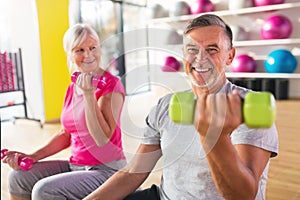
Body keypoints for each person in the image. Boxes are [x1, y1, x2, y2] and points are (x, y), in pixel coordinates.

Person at [83, 14, 278, 200]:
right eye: (192, 49)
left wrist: (214, 136)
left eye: (212, 49)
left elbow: (243, 195)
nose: (200, 58)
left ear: (230, 56)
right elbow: (134, 172)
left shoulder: (245, 107)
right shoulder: (166, 105)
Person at [2, 23, 126, 200]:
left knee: (44, 190)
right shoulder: (72, 87)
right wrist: (32, 156)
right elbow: (66, 134)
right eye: (80, 50)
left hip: (107, 170)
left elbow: (102, 139)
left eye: (93, 48)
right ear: (70, 54)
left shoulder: (111, 85)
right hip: (76, 165)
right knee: (18, 178)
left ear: (100, 49)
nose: (88, 55)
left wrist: (89, 95)